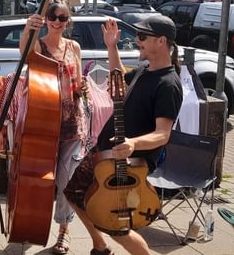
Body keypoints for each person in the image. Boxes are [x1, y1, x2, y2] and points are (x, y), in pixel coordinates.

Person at [63, 15, 183, 255]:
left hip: (129, 163)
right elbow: (118, 79)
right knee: (75, 194)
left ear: (161, 41)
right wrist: (111, 46)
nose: (137, 41)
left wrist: (133, 144)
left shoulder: (168, 84)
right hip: (106, 152)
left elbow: (163, 134)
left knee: (114, 222)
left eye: (142, 37)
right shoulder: (144, 71)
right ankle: (99, 244)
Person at [20, 0, 87, 255]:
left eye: (62, 18)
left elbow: (78, 79)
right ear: (46, 19)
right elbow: (24, 55)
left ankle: (63, 231)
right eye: (53, 17)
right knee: (40, 180)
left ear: (68, 21)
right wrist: (29, 29)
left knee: (66, 180)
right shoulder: (39, 46)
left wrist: (82, 88)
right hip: (44, 121)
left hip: (73, 122)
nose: (58, 22)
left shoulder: (74, 47)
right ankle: (30, 225)